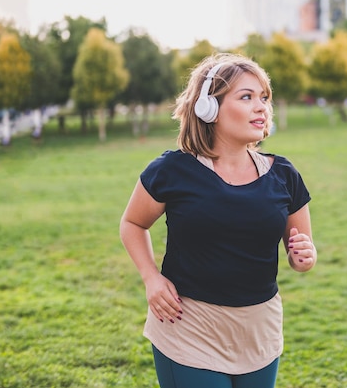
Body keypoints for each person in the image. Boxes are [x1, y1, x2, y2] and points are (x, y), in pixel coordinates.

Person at [119, 53, 317, 388]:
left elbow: (302, 255)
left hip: (259, 332)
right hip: (189, 328)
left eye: (264, 98)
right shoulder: (172, 170)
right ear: (208, 108)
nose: (261, 107)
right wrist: (151, 278)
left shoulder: (284, 174)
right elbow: (132, 224)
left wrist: (304, 257)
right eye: (246, 97)